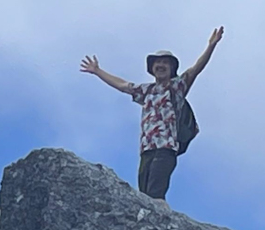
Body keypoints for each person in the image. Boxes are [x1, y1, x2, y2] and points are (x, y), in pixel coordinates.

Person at [80, 27, 224, 207]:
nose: (161, 65)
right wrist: (98, 71)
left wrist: (211, 45)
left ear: (172, 68)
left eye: (165, 62)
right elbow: (123, 86)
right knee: (144, 197)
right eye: (157, 63)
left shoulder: (177, 87)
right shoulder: (146, 90)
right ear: (152, 69)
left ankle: (165, 228)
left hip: (166, 147)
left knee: (156, 194)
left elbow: (196, 69)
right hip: (146, 149)